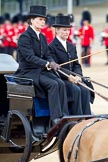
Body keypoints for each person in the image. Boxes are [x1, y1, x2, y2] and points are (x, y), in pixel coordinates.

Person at [14, 5, 69, 126]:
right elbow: (29, 57)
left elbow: (47, 54)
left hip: (40, 71)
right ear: (32, 20)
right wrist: (47, 63)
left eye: (44, 20)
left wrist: (52, 62)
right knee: (53, 84)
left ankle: (64, 115)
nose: (43, 22)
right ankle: (55, 119)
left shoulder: (43, 37)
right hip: (28, 72)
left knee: (61, 82)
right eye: (40, 19)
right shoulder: (24, 37)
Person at [49, 15, 91, 115]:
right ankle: (78, 118)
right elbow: (56, 68)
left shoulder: (72, 47)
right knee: (76, 90)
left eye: (68, 30)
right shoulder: (51, 47)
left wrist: (77, 75)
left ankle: (88, 117)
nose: (67, 32)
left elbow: (76, 64)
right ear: (57, 30)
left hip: (74, 78)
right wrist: (69, 77)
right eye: (64, 30)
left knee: (85, 89)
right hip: (62, 79)